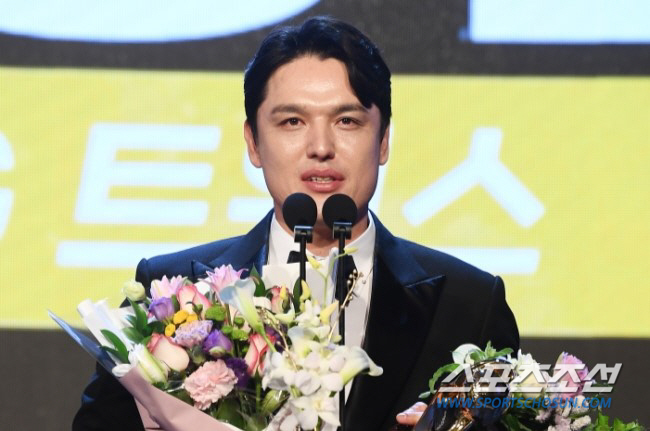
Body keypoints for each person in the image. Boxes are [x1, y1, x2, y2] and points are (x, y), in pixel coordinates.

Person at [73, 16, 519, 431]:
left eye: (347, 120)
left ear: (383, 140)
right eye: (292, 121)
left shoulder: (468, 304)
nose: (320, 146)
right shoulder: (171, 292)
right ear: (253, 142)